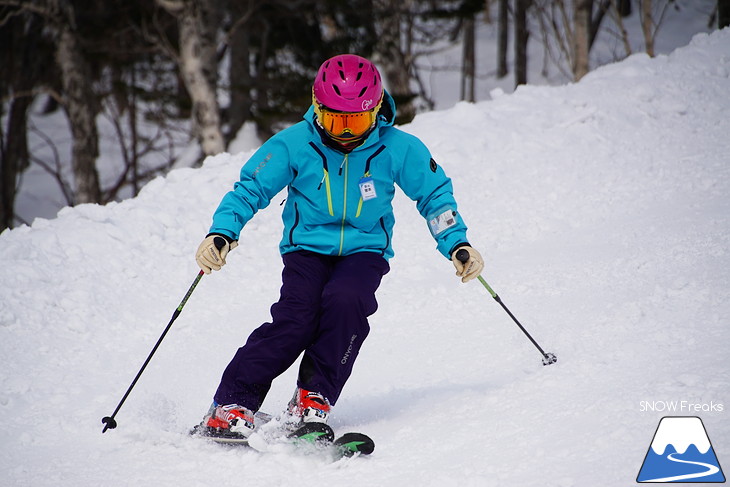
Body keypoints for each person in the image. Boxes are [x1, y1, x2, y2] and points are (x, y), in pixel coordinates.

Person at [195, 54, 484, 438]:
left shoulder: (398, 148)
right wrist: (222, 232)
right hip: (306, 248)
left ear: (377, 111)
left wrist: (457, 243)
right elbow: (251, 188)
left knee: (346, 303)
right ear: (317, 108)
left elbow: (435, 195)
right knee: (296, 319)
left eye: (357, 120)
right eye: (335, 120)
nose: (346, 133)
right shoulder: (294, 144)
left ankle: (312, 398)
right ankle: (232, 403)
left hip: (365, 250)